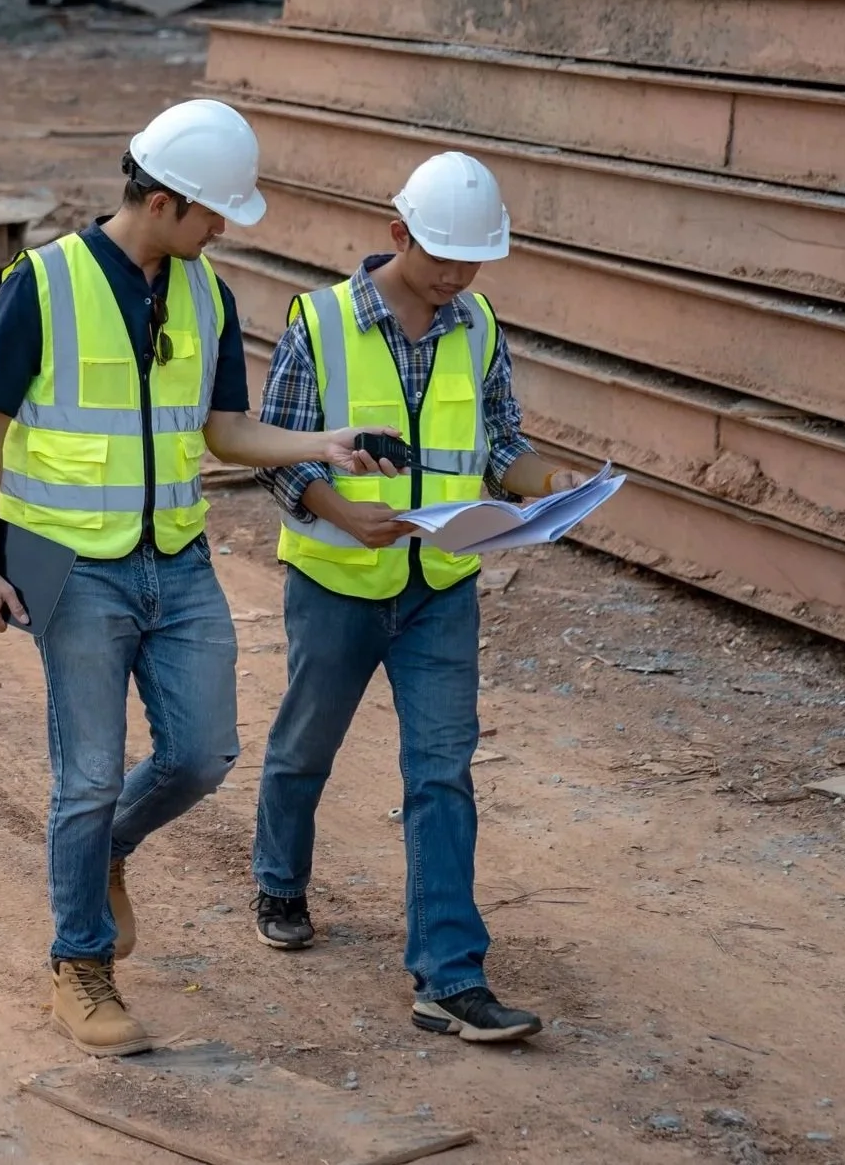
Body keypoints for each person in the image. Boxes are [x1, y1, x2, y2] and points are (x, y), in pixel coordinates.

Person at [0, 99, 388, 1057]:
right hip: (64, 562)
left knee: (202, 754)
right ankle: (81, 964)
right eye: (213, 213)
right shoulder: (47, 283)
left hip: (176, 559)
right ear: (160, 202)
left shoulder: (205, 293)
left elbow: (224, 431)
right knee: (88, 773)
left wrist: (327, 441)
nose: (223, 229)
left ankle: (108, 851)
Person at [249, 151, 590, 1044]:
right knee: (304, 749)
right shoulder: (319, 322)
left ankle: (449, 977)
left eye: (472, 261)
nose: (455, 276)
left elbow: (499, 442)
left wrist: (547, 482)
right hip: (337, 583)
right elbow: (280, 454)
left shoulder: (476, 324)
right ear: (397, 233)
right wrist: (338, 509)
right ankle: (280, 879)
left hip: (441, 585)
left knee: (441, 773)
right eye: (442, 256)